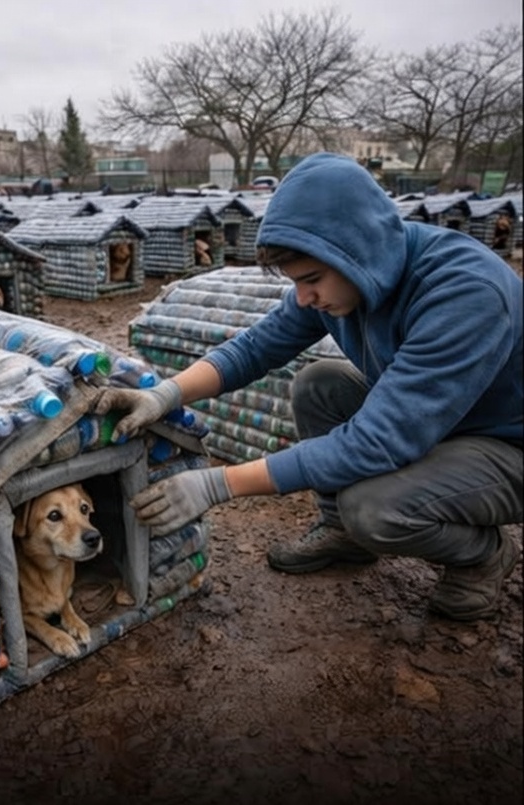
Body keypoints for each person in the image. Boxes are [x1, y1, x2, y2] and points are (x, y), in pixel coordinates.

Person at [96, 152, 523, 622]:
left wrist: (219, 483)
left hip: (502, 441)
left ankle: (483, 554)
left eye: (312, 281)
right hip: (438, 418)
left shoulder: (464, 293)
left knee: (374, 508)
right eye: (297, 282)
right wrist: (166, 394)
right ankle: (344, 535)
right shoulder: (353, 274)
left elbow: (377, 442)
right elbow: (256, 348)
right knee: (319, 384)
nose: (304, 298)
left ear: (357, 251)